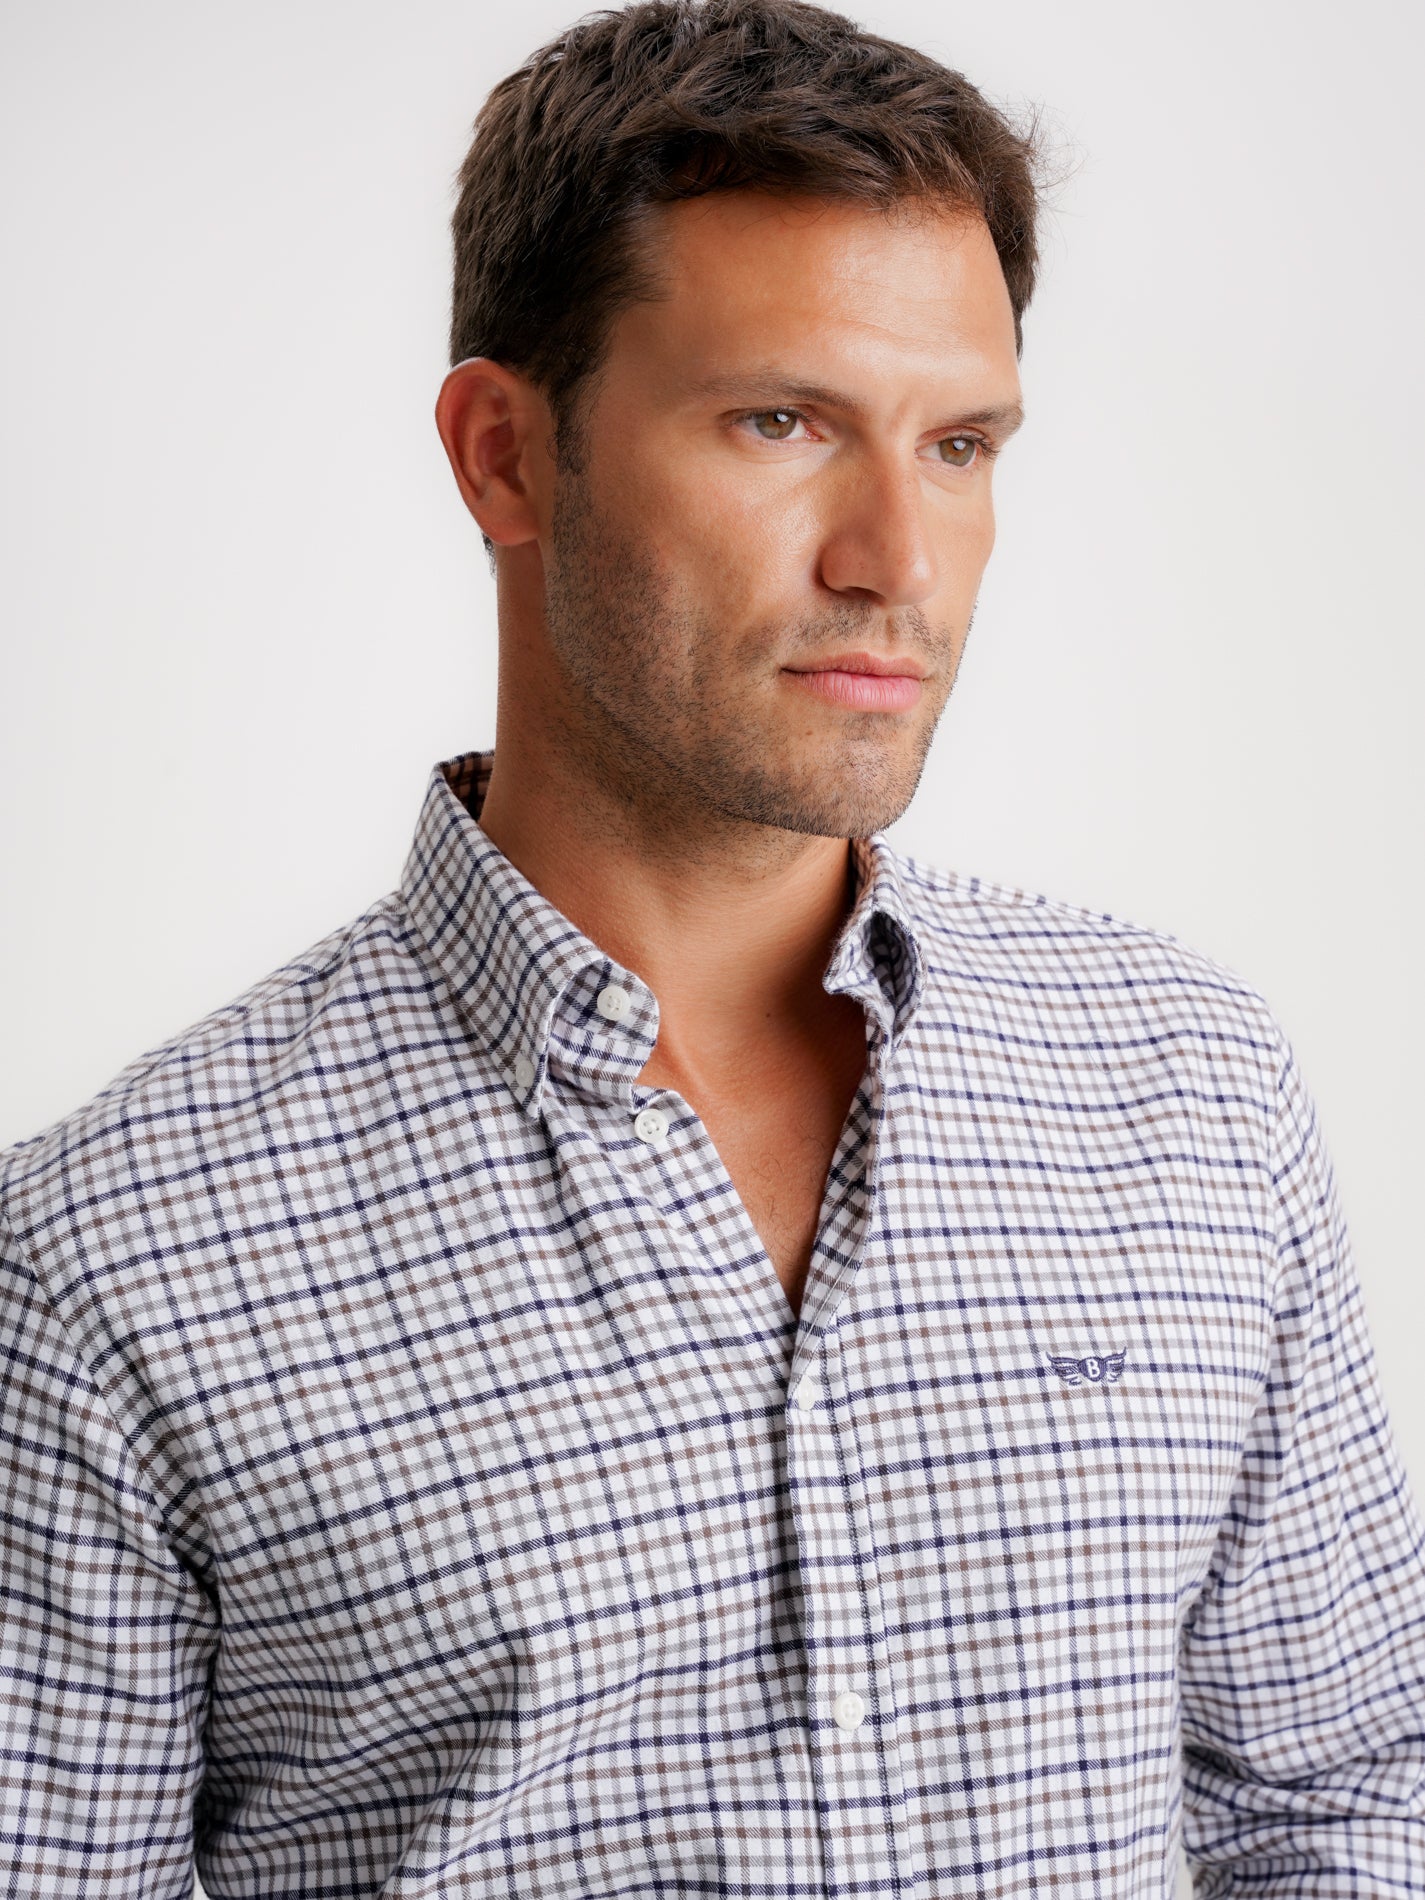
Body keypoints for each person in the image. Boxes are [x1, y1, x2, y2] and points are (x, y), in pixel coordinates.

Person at [2, 0, 1422, 1892]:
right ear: (504, 455)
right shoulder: (110, 1264)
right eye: (781, 423)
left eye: (960, 444)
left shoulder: (1188, 1091)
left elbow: (1336, 1791)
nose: (896, 560)